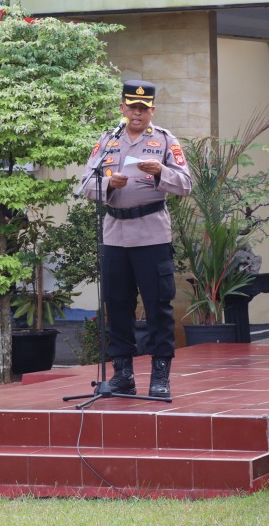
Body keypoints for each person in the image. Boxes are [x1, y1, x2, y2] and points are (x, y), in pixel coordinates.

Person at [81, 80, 192, 398]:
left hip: (151, 234)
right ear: (122, 108)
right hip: (115, 234)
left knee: (158, 307)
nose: (137, 113)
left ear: (152, 111)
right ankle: (122, 374)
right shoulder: (108, 140)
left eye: (143, 108)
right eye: (132, 107)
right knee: (117, 306)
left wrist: (160, 171)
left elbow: (185, 184)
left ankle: (160, 376)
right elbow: (86, 184)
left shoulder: (165, 141)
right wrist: (109, 184)